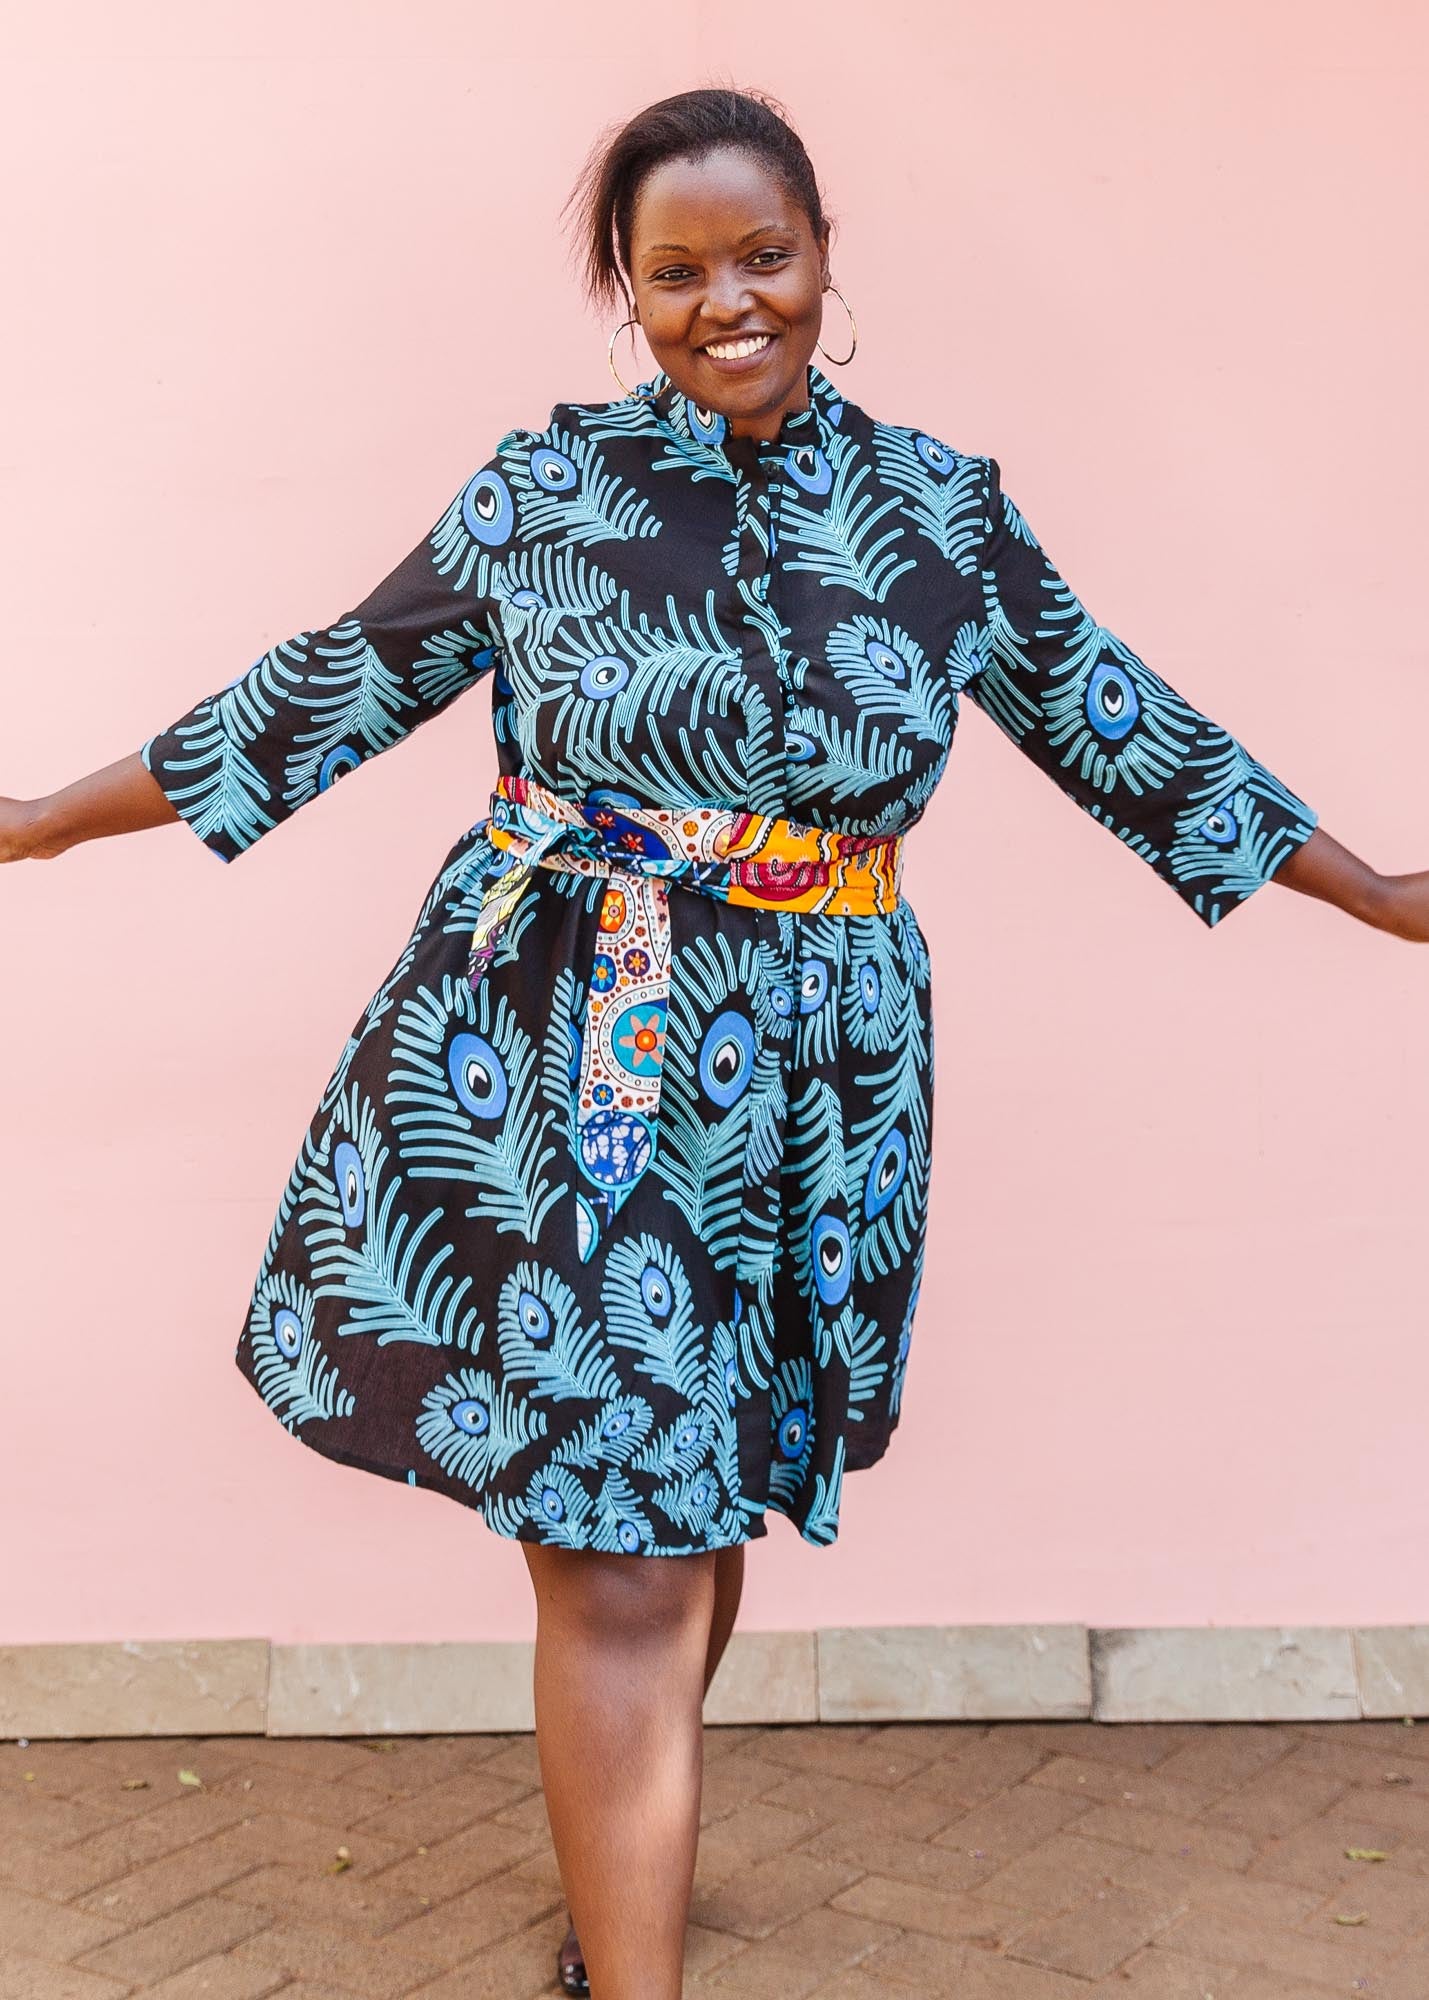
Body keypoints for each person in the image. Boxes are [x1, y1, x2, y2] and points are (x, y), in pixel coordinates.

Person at [4, 81, 1425, 2000]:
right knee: (616, 1554)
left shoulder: (939, 508)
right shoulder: (540, 495)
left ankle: (626, 1895)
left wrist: (1371, 889)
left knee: (703, 1489)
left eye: (763, 257)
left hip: (820, 1083)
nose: (725, 302)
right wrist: (34, 823)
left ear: (826, 256)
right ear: (625, 289)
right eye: (674, 271)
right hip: (565, 1052)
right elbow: (319, 691)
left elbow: (1122, 726)